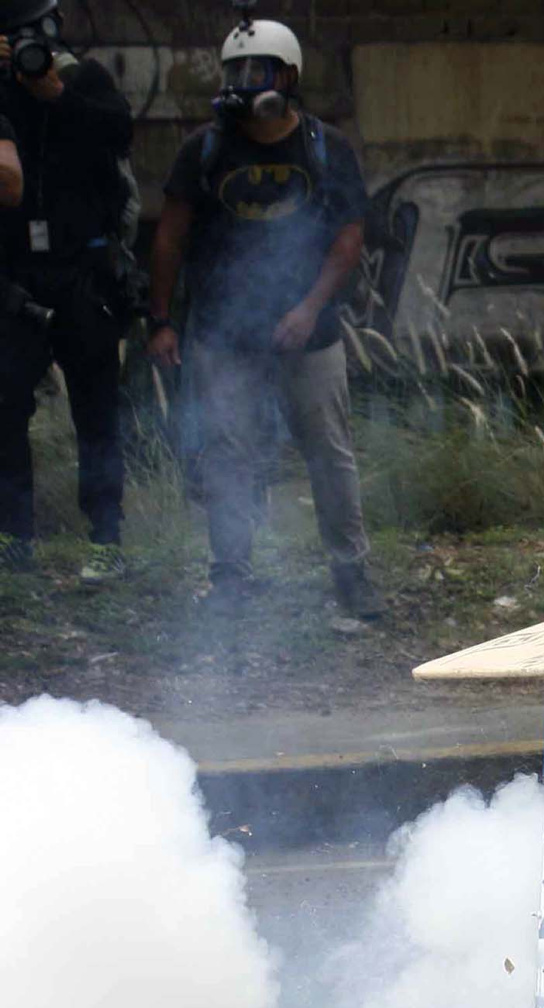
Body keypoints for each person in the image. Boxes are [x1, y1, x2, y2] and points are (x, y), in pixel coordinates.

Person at [147, 15, 378, 620]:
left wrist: (309, 308)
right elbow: (169, 238)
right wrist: (162, 319)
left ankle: (352, 575)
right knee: (227, 455)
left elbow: (348, 240)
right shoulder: (204, 149)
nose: (246, 84)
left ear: (289, 76)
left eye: (259, 72)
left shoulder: (326, 148)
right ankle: (231, 578)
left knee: (329, 453)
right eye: (236, 73)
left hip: (312, 334)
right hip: (223, 334)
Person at [0, 0, 134, 583]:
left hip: (84, 270)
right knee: (5, 408)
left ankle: (106, 538)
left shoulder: (85, 80)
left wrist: (56, 94)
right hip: (15, 275)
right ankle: (13, 539)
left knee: (97, 410)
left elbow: (119, 132)